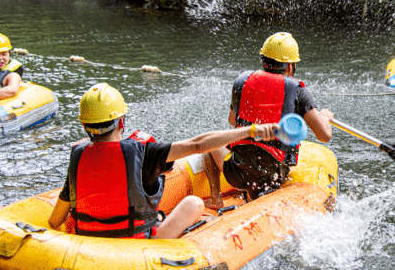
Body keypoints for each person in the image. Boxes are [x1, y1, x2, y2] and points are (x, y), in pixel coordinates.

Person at [47, 83, 281, 239]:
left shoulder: (77, 155)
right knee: (193, 204)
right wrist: (251, 131)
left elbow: (55, 219)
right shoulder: (144, 152)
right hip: (137, 245)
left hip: (87, 244)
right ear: (121, 122)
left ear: (84, 125)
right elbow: (199, 144)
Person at [203, 32, 334, 208]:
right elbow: (324, 135)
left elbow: (232, 120)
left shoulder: (243, 81)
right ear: (290, 66)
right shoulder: (299, 92)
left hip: (237, 172)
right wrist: (324, 117)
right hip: (273, 177)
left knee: (208, 141)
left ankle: (216, 198)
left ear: (264, 62)